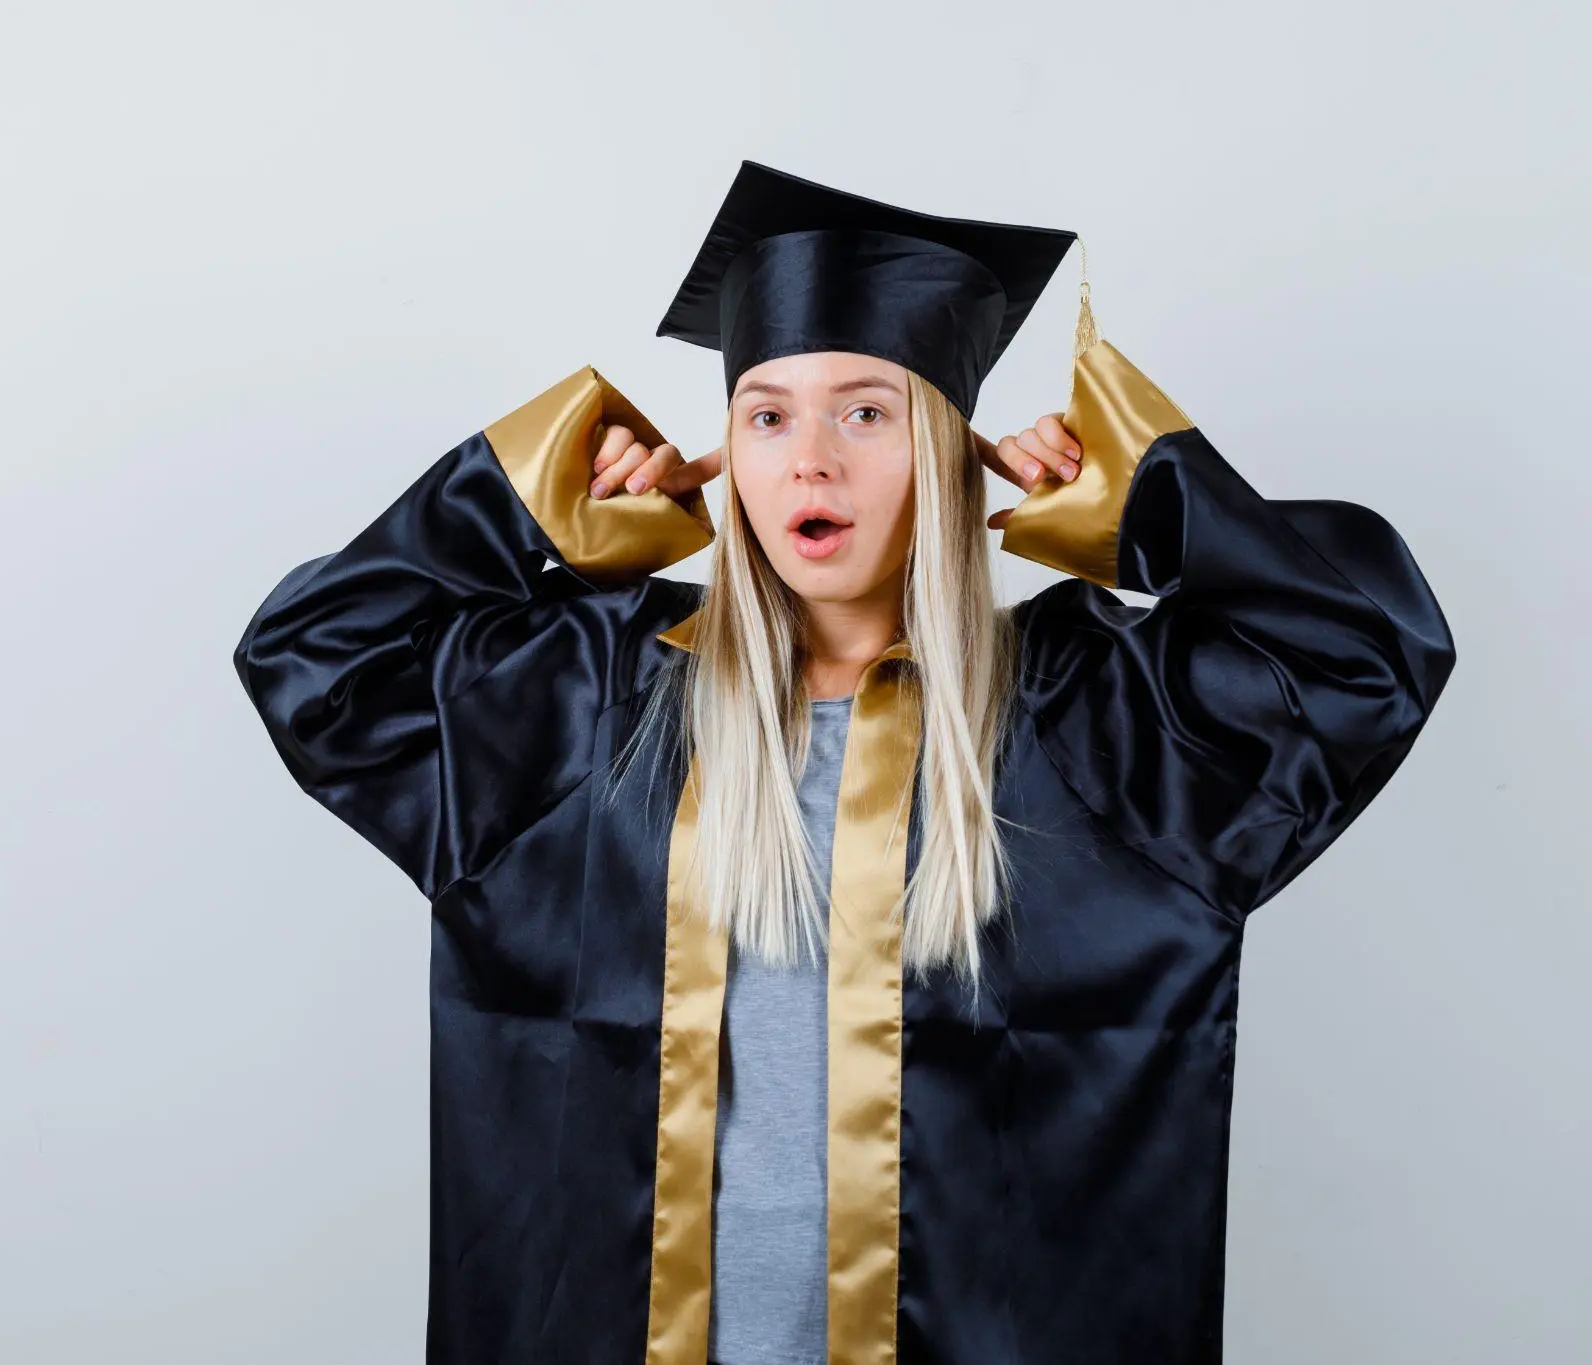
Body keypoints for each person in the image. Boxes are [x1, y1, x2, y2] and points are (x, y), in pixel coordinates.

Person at [232, 160, 1455, 1365]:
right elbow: (314, 658)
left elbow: (1363, 653)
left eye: (865, 412)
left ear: (946, 448)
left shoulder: (1095, 724)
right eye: (766, 416)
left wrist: (1143, 502)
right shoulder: (582, 705)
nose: (808, 460)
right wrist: (534, 500)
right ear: (727, 456)